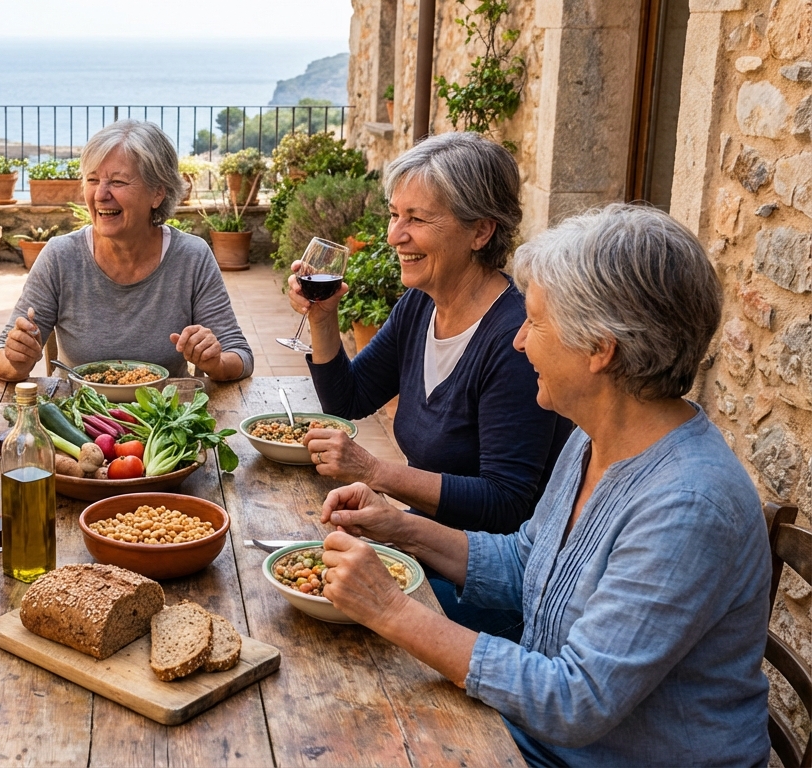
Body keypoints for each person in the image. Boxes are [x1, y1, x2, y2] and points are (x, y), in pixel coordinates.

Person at [317, 204, 769, 767]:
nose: (517, 342)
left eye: (534, 322)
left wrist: (390, 609)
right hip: (536, 735)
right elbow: (526, 561)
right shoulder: (593, 440)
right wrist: (399, 526)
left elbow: (575, 701)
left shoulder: (687, 504)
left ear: (600, 349)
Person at [289, 132, 570, 638]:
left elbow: (508, 501)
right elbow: (347, 400)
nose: (396, 235)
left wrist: (378, 472)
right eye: (395, 215)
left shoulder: (515, 341)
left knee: (329, 624)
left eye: (416, 219)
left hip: (484, 583)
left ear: (480, 231)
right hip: (421, 544)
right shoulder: (421, 306)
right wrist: (324, 319)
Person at [0, 120, 253, 382]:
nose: (101, 194)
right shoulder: (60, 257)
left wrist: (216, 362)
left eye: (117, 182)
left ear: (157, 193)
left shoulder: (191, 257)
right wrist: (16, 359)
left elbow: (240, 356)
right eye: (92, 180)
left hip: (162, 418)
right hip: (79, 417)